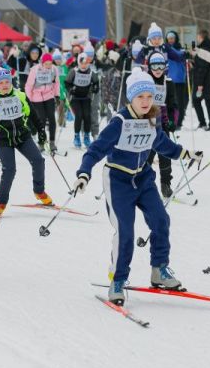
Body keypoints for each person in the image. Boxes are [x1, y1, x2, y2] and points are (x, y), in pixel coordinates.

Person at [73, 70, 203, 306]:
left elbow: (162, 143)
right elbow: (96, 150)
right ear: (130, 99)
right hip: (118, 181)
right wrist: (83, 173)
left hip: (143, 178)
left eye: (149, 96)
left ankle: (159, 269)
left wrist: (185, 153)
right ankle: (118, 280)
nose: (145, 101)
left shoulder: (153, 118)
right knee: (125, 232)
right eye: (140, 96)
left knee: (161, 219)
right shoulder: (119, 123)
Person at [0, 68, 51, 218]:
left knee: (39, 160)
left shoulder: (20, 96)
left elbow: (33, 114)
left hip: (22, 136)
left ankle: (39, 191)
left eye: (7, 81)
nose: (5, 85)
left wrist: (41, 130)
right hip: (3, 140)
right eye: (1, 83)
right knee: (9, 170)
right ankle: (1, 202)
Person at [144, 51, 176, 197]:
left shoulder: (168, 83)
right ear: (149, 67)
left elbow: (173, 105)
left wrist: (172, 122)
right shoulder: (145, 82)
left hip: (162, 124)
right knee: (147, 154)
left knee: (165, 154)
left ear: (165, 67)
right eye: (154, 66)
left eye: (160, 66)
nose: (157, 70)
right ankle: (144, 183)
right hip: (147, 123)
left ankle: (165, 183)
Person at [24, 52, 60, 151]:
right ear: (42, 63)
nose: (48, 66)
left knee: (52, 118)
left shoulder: (54, 69)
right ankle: (41, 142)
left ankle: (52, 142)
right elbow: (28, 85)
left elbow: (56, 83)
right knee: (42, 120)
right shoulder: (35, 70)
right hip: (37, 97)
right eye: (46, 64)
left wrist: (57, 95)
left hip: (49, 95)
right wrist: (28, 99)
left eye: (50, 63)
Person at [66, 53, 99, 148]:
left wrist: (95, 88)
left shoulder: (91, 72)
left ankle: (87, 136)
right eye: (82, 63)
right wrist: (71, 89)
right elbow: (67, 83)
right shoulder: (74, 71)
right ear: (79, 62)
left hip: (86, 98)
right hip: (75, 98)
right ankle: (76, 137)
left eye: (86, 63)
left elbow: (96, 82)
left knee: (87, 116)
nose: (84, 65)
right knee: (79, 115)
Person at [191, 30, 210, 130]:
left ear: (201, 37)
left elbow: (202, 68)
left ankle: (205, 123)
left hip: (203, 81)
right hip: (209, 79)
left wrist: (200, 84)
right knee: (208, 102)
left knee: (197, 100)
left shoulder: (203, 49)